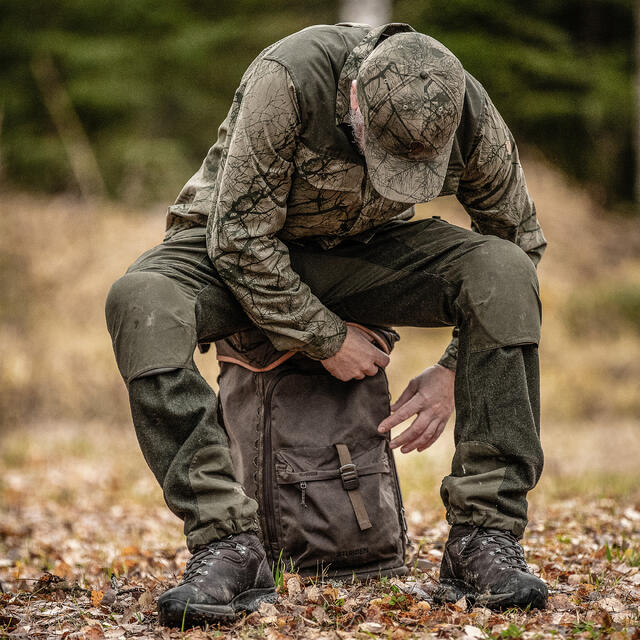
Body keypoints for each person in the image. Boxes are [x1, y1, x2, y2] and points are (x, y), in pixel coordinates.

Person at [105, 22, 548, 627]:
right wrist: (327, 338)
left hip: (366, 253)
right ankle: (226, 544)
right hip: (228, 253)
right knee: (141, 300)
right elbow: (237, 239)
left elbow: (518, 238)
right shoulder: (288, 81)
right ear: (358, 101)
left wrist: (453, 369)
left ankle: (483, 538)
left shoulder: (462, 103)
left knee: (503, 272)